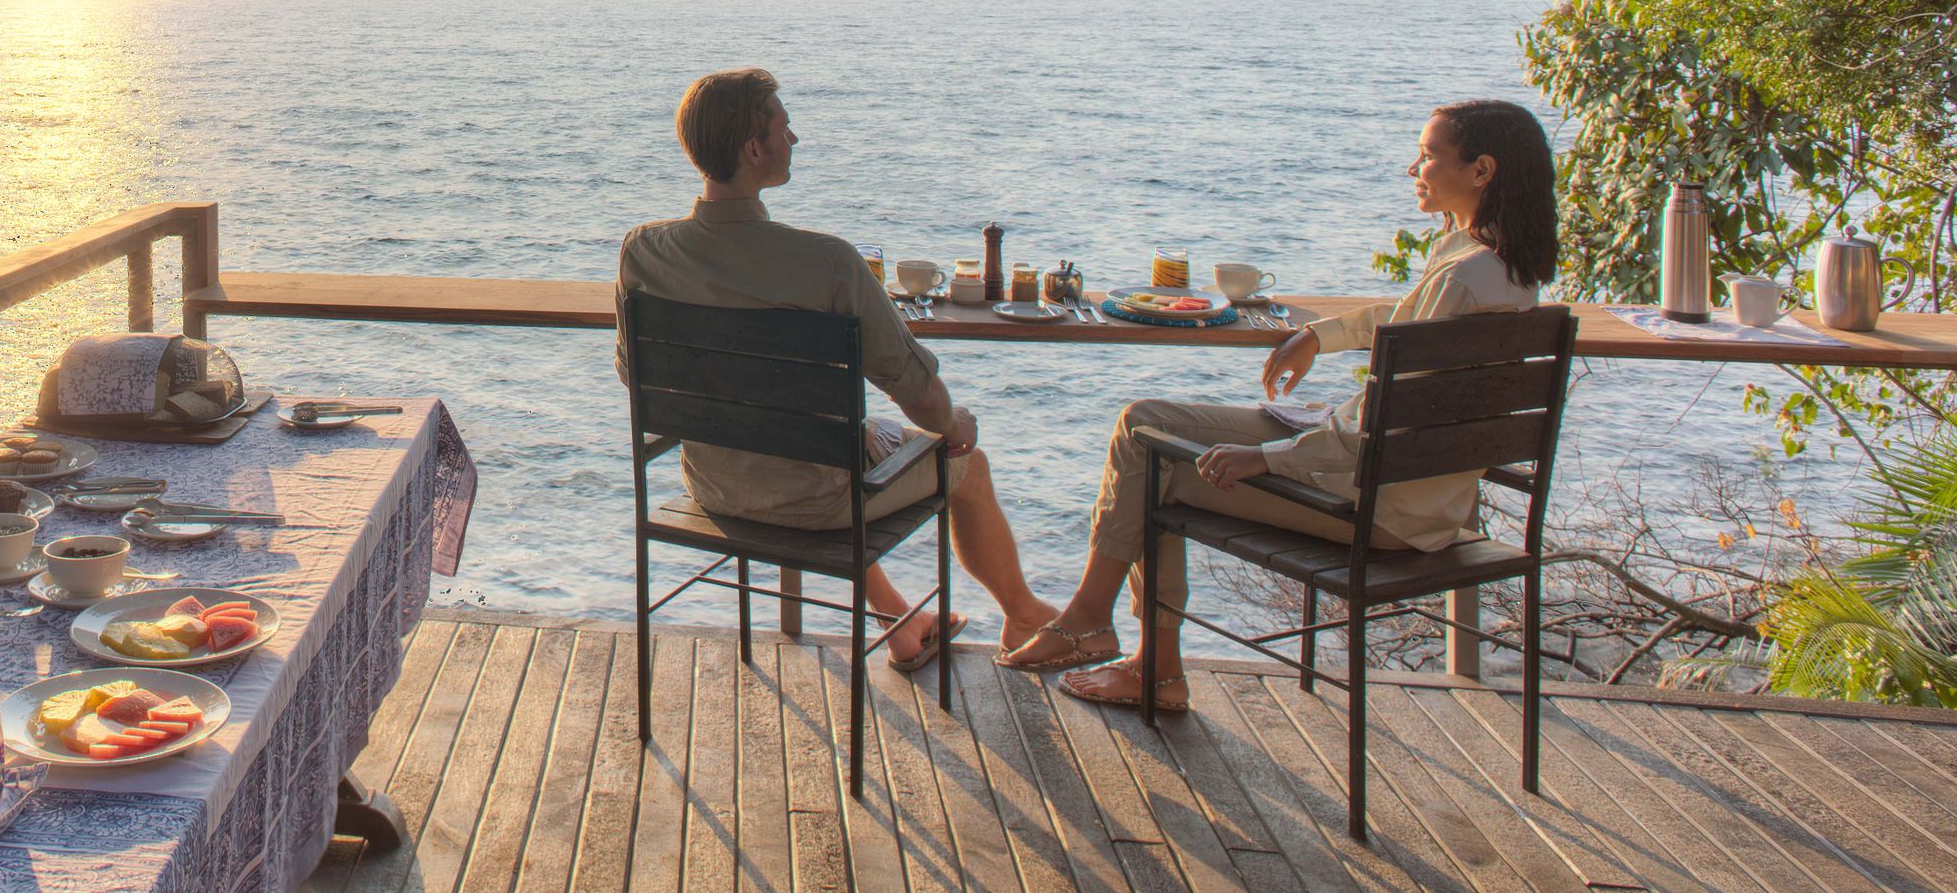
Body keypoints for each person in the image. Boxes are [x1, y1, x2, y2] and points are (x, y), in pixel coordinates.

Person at [1002, 97, 1563, 712]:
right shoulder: (1498, 267)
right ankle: (1111, 638)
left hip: (1381, 508)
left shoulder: (1462, 275)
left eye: (1427, 156)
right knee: (1144, 422)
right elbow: (1406, 328)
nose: (1413, 169)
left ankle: (1133, 653)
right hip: (1426, 501)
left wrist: (1268, 458)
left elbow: (1385, 421)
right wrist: (1320, 334)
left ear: (1481, 170)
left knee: (1153, 464)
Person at [618, 67, 1055, 669]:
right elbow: (922, 398)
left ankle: (901, 623)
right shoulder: (827, 263)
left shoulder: (643, 250)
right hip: (815, 505)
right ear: (753, 150)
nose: (794, 138)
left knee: (818, 448)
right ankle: (1024, 614)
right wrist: (956, 424)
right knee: (965, 466)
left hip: (713, 485)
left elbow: (631, 373)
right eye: (784, 127)